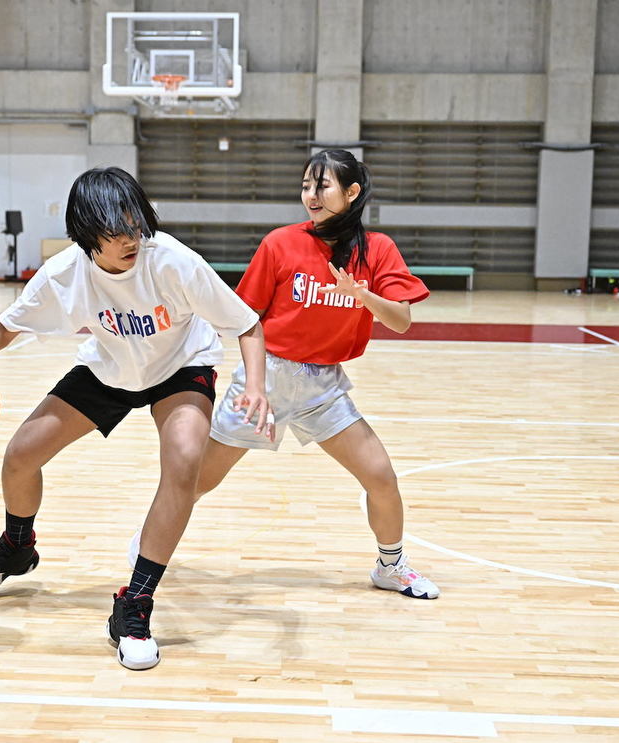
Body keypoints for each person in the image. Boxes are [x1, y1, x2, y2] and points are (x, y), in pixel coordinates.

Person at [0, 167, 272, 670]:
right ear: (85, 234)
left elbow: (248, 324)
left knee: (185, 462)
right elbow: (3, 330)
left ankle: (135, 602)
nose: (131, 239)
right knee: (20, 456)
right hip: (110, 368)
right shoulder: (64, 274)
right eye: (116, 230)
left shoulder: (172, 261)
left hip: (180, 367)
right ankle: (17, 545)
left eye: (136, 225)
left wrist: (255, 385)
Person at [131, 149, 440, 600]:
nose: (311, 195)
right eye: (305, 186)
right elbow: (245, 317)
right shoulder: (280, 243)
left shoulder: (378, 250)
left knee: (381, 476)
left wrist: (362, 296)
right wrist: (250, 382)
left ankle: (391, 566)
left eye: (323, 185)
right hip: (268, 378)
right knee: (196, 481)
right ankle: (146, 549)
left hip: (324, 388)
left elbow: (401, 320)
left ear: (351, 192)